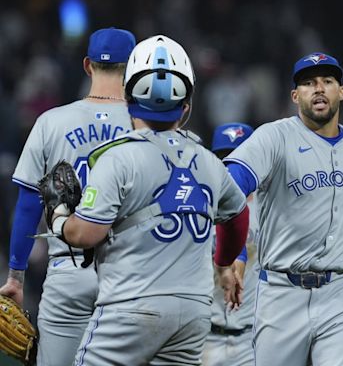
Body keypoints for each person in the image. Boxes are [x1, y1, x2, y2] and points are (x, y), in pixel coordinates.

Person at [44, 34, 249, 365]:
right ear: (187, 105)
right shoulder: (209, 161)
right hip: (193, 313)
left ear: (128, 98)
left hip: (131, 305)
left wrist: (59, 220)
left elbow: (86, 234)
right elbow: (238, 218)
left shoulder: (118, 158)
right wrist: (224, 263)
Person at [222, 53, 343, 365]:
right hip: (281, 290)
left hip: (342, 291)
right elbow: (232, 185)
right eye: (308, 83)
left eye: (328, 82)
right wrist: (235, 251)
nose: (319, 89)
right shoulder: (274, 136)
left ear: (341, 91)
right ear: (295, 95)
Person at [0, 27, 136, 365]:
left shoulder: (51, 122)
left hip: (68, 271)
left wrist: (16, 276)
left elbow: (29, 204)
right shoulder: (145, 126)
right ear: (133, 67)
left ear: (88, 65)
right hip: (131, 276)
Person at [203, 122, 259, 366]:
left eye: (240, 157)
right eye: (225, 158)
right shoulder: (200, 206)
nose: (232, 166)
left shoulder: (270, 208)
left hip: (252, 338)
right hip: (205, 336)